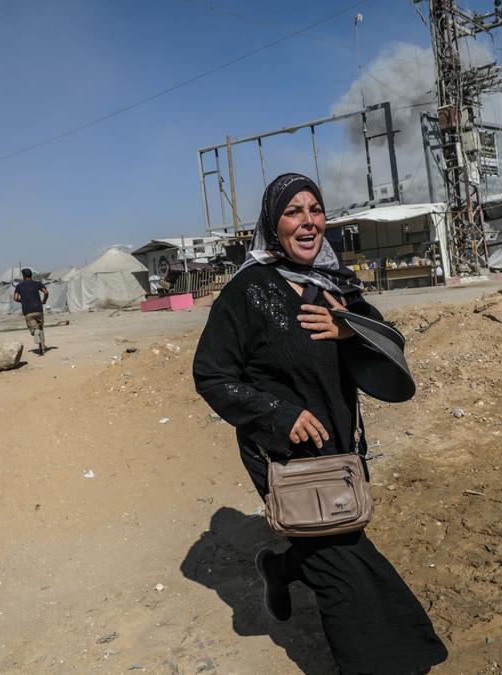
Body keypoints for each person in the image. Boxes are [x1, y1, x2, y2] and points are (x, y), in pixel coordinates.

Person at [192, 173, 448, 674]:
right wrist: (278, 414)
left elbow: (389, 344)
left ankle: (281, 568)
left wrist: (349, 329)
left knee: (332, 538)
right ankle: (396, 661)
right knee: (342, 565)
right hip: (283, 450)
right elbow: (212, 375)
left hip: (340, 444)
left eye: (315, 209)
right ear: (272, 223)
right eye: (293, 212)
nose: (308, 221)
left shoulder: (335, 285)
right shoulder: (248, 291)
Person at [12, 268, 49, 354]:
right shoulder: (37, 284)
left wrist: (23, 300)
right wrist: (44, 301)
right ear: (31, 275)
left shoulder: (19, 286)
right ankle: (42, 348)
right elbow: (46, 292)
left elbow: (15, 298)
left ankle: (34, 331)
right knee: (41, 329)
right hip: (38, 309)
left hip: (28, 310)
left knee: (34, 329)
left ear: (23, 276)